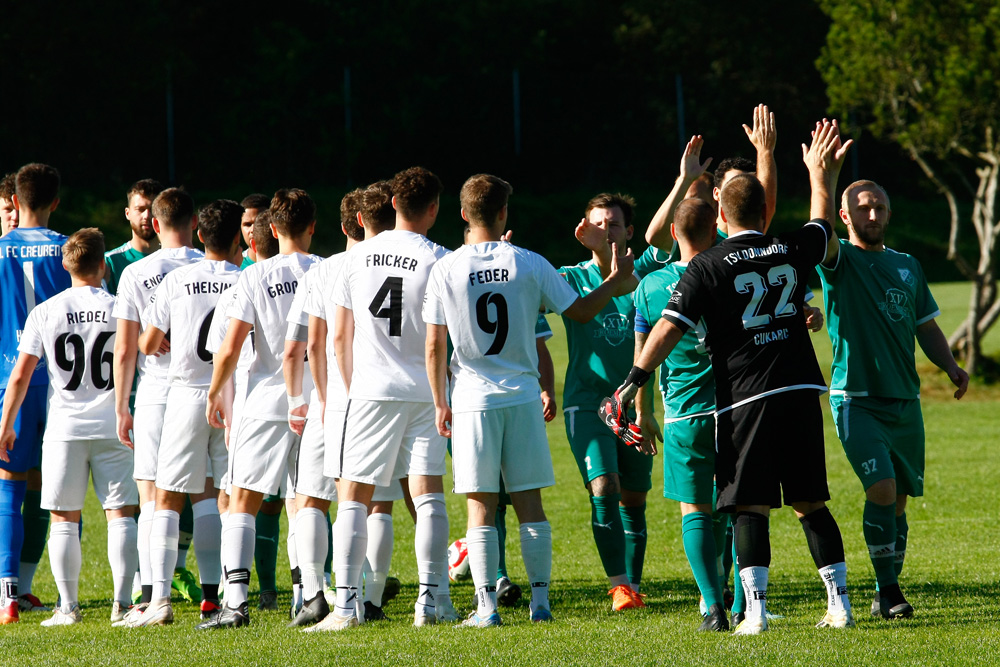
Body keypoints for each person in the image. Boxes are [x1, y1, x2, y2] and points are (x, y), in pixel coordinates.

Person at [608, 120, 855, 635]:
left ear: (720, 212)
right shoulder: (787, 246)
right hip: (803, 387)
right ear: (762, 211)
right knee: (810, 502)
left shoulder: (707, 265)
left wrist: (634, 378)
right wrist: (819, 176)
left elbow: (669, 329)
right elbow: (821, 226)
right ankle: (840, 605)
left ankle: (755, 612)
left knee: (749, 504)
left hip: (748, 395)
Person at [424, 173, 634, 627]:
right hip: (522, 396)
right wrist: (614, 283)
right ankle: (541, 604)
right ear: (503, 214)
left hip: (472, 400)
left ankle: (487, 608)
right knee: (529, 505)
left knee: (480, 507)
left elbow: (434, 346)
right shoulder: (530, 263)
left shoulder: (445, 268)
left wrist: (440, 401)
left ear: (463, 214)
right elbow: (578, 310)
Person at [818, 179, 969, 619]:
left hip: (905, 400)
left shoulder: (908, 265)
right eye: (863, 208)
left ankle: (886, 593)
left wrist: (950, 365)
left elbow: (926, 325)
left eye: (880, 207)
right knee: (881, 488)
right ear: (845, 216)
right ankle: (889, 590)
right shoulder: (838, 260)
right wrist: (823, 176)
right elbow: (820, 232)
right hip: (856, 399)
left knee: (899, 497)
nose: (873, 215)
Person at [325, 166, 451, 631]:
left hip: (371, 389)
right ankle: (430, 601)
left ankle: (346, 608)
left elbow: (340, 338)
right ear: (434, 209)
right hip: (425, 389)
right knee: (427, 493)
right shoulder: (442, 258)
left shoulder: (354, 259)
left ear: (392, 204)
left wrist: (354, 386)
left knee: (354, 498)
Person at [0, 228, 139, 626]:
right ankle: (123, 604)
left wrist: (7, 424)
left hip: (64, 426)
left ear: (65, 265)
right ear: (102, 264)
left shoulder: (45, 310)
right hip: (113, 421)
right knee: (120, 514)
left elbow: (21, 377)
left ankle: (68, 607)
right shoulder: (120, 307)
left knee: (65, 517)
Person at [200, 188, 321, 629]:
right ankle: (312, 594)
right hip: (317, 401)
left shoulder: (254, 276)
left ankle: (235, 603)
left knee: (242, 500)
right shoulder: (327, 270)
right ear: (312, 227)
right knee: (307, 500)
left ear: (271, 230)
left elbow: (231, 348)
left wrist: (215, 392)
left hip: (267, 401)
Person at [304, 182, 410, 629]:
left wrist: (324, 396)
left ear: (348, 224)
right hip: (402, 391)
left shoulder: (331, 268)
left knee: (316, 499)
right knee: (382, 502)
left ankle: (316, 594)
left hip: (341, 397)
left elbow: (313, 343)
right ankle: (374, 593)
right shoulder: (415, 258)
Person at [133, 200, 245, 625]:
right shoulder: (246, 278)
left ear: (201, 234)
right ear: (239, 238)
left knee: (166, 496)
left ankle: (158, 600)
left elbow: (147, 344)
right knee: (218, 496)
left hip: (185, 394)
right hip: (232, 398)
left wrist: (156, 338)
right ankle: (215, 596)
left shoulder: (178, 280)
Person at [557, 192, 662, 610]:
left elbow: (664, 239)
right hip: (586, 403)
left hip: (633, 403)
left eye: (614, 224)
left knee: (634, 498)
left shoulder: (643, 279)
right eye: (598, 224)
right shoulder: (569, 278)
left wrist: (685, 178)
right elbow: (578, 311)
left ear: (629, 232)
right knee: (604, 486)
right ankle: (619, 586)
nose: (607, 231)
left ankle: (633, 585)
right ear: (585, 231)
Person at [633, 198, 730, 631]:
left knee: (695, 509)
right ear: (716, 230)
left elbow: (644, 353)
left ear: (674, 234)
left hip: (684, 413)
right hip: (735, 407)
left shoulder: (650, 286)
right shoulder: (730, 272)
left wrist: (641, 409)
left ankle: (712, 606)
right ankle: (746, 601)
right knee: (739, 505)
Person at [111, 187, 203, 623]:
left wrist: (121, 406)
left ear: (155, 223)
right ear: (195, 224)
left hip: (156, 392)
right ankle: (217, 595)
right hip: (206, 390)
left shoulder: (137, 273)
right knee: (206, 496)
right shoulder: (212, 266)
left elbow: (127, 349)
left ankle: (151, 597)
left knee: (152, 496)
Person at [0, 163, 71, 624]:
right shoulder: (69, 250)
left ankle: (7, 594)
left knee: (9, 485)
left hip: (10, 380)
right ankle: (26, 588)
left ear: (16, 202)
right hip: (61, 386)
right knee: (48, 487)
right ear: (55, 201)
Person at [105, 179, 165, 296]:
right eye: (140, 209)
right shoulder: (110, 262)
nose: (146, 216)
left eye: (152, 210)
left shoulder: (176, 259)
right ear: (127, 213)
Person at [239, 194, 271, 268]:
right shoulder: (235, 267)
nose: (253, 229)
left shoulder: (289, 264)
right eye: (248, 224)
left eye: (259, 223)